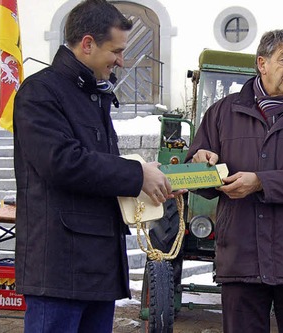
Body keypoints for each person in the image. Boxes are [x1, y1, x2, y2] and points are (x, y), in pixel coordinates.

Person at [12, 0, 176, 331]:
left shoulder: (94, 94)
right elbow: (61, 163)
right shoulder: (40, 92)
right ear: (87, 44)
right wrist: (135, 174)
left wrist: (151, 180)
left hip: (96, 267)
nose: (121, 60)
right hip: (59, 269)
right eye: (116, 50)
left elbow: (99, 170)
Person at [186, 29, 283, 333]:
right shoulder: (222, 113)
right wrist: (202, 162)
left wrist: (260, 182)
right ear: (262, 63)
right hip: (241, 256)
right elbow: (200, 176)